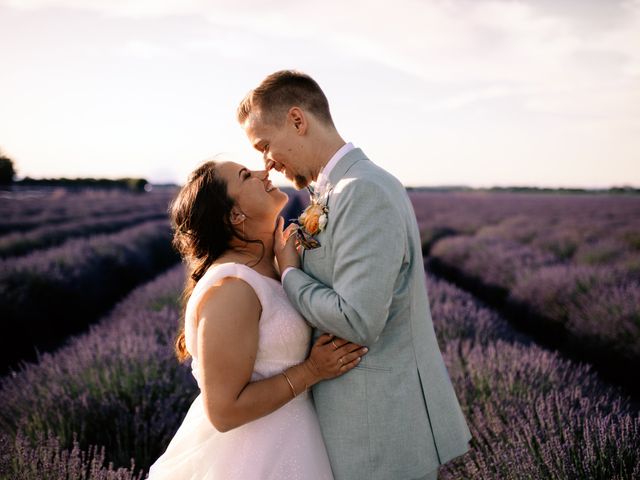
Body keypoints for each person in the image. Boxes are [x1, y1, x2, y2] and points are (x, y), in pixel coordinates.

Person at [238, 70, 472, 480]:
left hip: (375, 430)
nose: (267, 163)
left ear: (297, 120)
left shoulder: (362, 191)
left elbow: (357, 320)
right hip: (360, 426)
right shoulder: (339, 189)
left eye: (265, 145)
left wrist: (290, 272)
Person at [146, 160, 369, 479]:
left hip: (293, 442)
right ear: (235, 215)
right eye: (246, 176)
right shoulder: (232, 288)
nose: (264, 172)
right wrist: (312, 370)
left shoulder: (270, 267)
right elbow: (224, 411)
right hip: (248, 460)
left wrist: (289, 268)